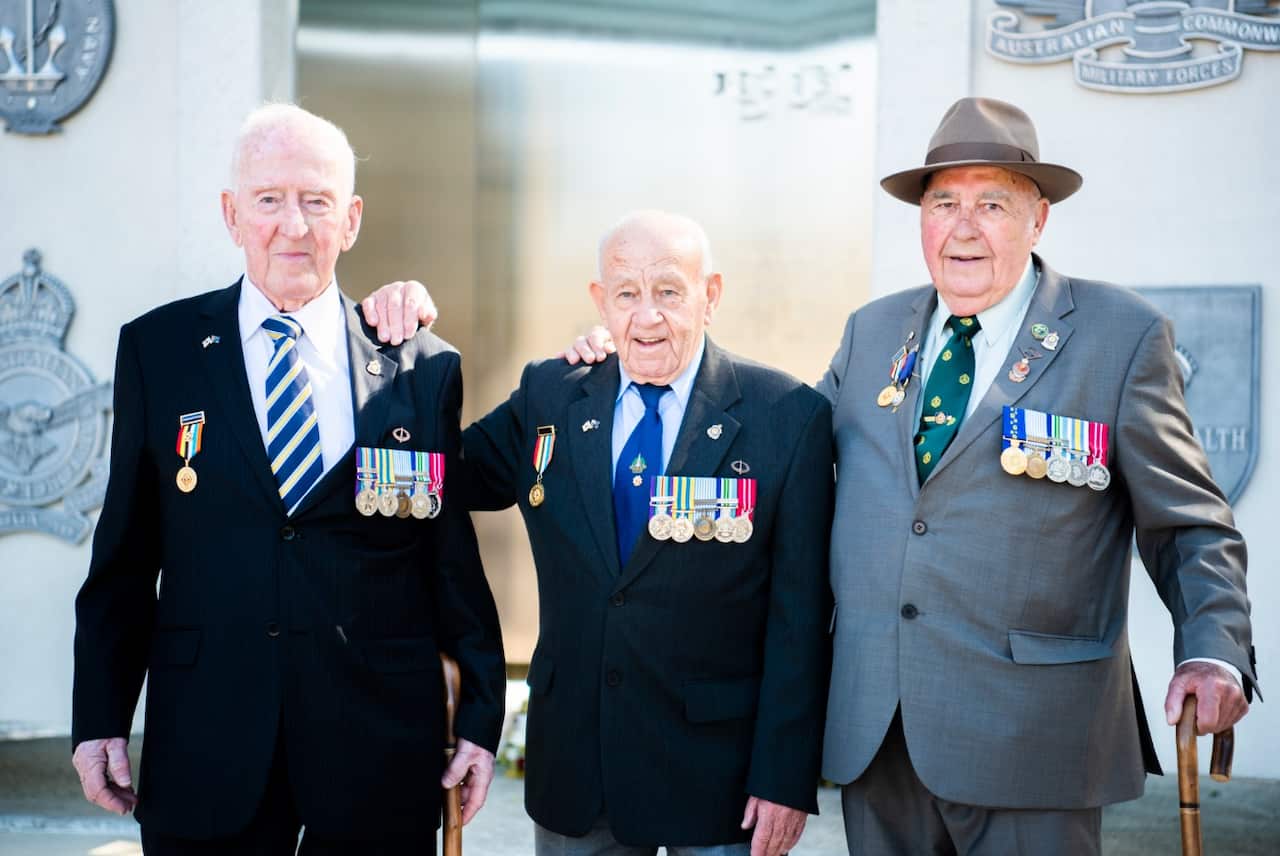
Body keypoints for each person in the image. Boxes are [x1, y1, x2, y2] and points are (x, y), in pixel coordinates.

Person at [374, 98, 1258, 856]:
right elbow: (781, 451)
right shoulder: (875, 332)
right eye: (943, 202)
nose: (963, 227)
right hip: (881, 741)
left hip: (1034, 735)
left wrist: (1212, 648)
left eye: (993, 203)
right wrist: (582, 364)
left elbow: (1191, 522)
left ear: (1038, 219)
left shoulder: (1119, 335)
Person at [71, 103, 506, 855]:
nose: (294, 227)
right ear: (232, 215)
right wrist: (100, 716)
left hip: (376, 752)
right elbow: (126, 558)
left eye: (317, 202)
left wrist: (479, 724)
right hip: (208, 745)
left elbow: (451, 565)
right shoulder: (159, 351)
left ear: (353, 219)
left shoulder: (418, 366)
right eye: (269, 200)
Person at [367, 210, 833, 855]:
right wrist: (396, 347)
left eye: (669, 291)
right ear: (599, 302)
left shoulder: (788, 416)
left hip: (718, 782)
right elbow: (442, 477)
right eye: (626, 294)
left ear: (711, 294)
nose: (646, 316)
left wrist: (784, 775)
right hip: (577, 769)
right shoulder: (551, 395)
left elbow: (801, 617)